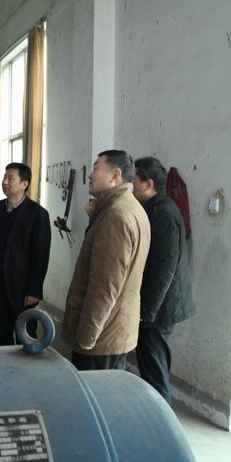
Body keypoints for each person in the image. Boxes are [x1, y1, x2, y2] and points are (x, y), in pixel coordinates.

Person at [61, 150, 150, 371]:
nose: (90, 174)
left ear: (115, 175)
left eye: (96, 168)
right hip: (114, 329)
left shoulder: (115, 217)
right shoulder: (130, 208)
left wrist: (87, 336)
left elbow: (105, 286)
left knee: (93, 391)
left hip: (102, 338)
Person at [132, 156, 196, 404]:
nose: (130, 185)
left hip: (160, 307)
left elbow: (163, 268)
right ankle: (154, 413)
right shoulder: (153, 208)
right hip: (156, 305)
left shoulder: (164, 214)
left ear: (148, 184)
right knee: (150, 365)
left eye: (134, 180)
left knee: (155, 370)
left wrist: (148, 311)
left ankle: (161, 420)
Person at [0, 162, 51, 346]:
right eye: (4, 177)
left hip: (22, 286)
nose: (4, 182)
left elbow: (41, 256)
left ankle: (27, 365)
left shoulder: (37, 214)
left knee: (25, 336)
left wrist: (34, 290)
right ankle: (2, 363)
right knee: (0, 333)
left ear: (24, 184)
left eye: (10, 178)